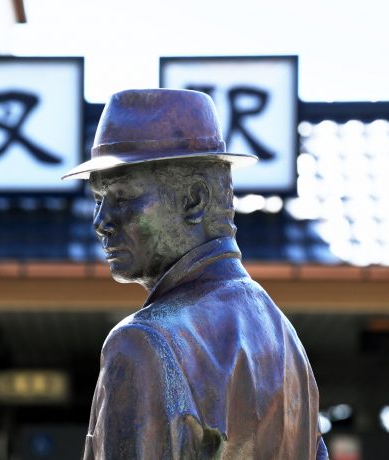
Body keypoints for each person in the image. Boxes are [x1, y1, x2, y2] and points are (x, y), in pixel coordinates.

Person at [62, 89, 327, 459]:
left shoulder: (144, 344)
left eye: (122, 197)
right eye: (98, 199)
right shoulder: (283, 338)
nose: (101, 222)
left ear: (195, 200)